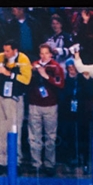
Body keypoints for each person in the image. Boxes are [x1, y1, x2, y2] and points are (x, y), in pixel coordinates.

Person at [0, 39, 32, 175]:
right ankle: (1, 161)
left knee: (14, 130)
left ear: (15, 50)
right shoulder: (0, 56)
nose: (5, 53)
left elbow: (26, 79)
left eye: (8, 51)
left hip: (14, 99)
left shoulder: (24, 59)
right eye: (4, 50)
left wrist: (10, 74)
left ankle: (15, 162)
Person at [26, 43, 65, 176]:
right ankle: (36, 163)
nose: (43, 56)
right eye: (41, 53)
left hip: (50, 106)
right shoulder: (34, 65)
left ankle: (49, 164)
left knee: (50, 137)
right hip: (34, 105)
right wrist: (34, 69)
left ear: (50, 54)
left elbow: (60, 84)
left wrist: (46, 76)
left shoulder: (56, 67)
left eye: (46, 53)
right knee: (34, 136)